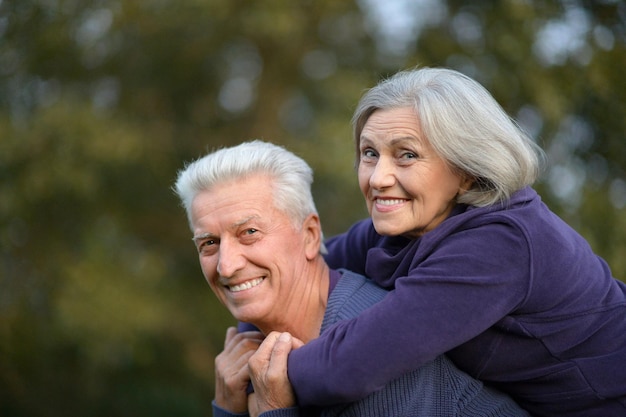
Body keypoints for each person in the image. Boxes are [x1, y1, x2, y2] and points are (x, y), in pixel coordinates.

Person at [276, 67, 626, 417]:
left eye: (406, 155)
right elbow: (292, 273)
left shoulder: (501, 243)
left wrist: (264, 368)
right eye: (370, 153)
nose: (378, 178)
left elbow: (348, 366)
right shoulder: (402, 227)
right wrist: (248, 331)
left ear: (467, 171)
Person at [173, 140, 530, 417]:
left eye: (249, 232)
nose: (226, 265)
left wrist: (275, 412)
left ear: (311, 235)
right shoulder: (256, 357)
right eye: (209, 243)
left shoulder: (373, 358)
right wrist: (229, 408)